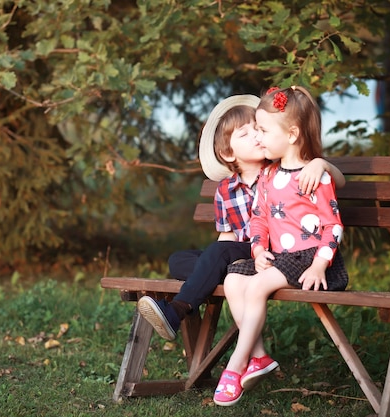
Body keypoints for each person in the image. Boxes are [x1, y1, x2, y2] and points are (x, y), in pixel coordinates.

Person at [137, 94, 346, 343]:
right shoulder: (225, 190)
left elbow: (337, 183)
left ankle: (178, 309)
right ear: (228, 153)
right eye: (245, 134)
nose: (257, 137)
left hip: (272, 251)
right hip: (241, 251)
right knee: (178, 260)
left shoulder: (279, 170)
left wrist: (320, 163)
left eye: (258, 130)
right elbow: (227, 237)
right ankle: (215, 271)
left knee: (216, 257)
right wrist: (215, 257)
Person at [213, 86, 349, 406]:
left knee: (257, 286)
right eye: (256, 130)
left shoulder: (315, 175)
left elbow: (334, 226)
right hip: (278, 257)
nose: (258, 137)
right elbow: (258, 219)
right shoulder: (268, 174)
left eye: (262, 130)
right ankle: (258, 358)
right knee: (233, 279)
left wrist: (319, 264)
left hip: (310, 259)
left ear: (292, 134)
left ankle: (235, 366)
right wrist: (259, 250)